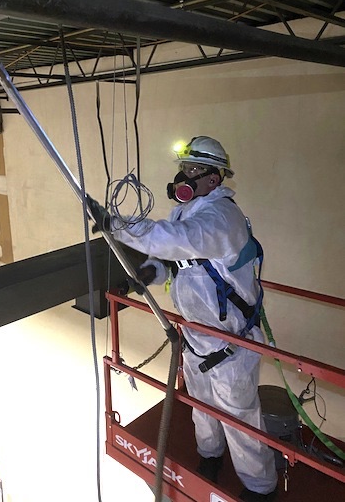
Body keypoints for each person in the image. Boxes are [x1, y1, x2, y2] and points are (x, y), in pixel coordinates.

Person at [87, 136, 278, 502]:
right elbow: (183, 263)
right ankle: (210, 456)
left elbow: (176, 240)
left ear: (214, 179)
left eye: (193, 170)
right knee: (201, 407)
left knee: (240, 420)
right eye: (183, 168)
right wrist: (153, 273)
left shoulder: (223, 218)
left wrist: (116, 224)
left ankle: (260, 488)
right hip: (195, 336)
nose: (183, 176)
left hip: (230, 344)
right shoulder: (185, 213)